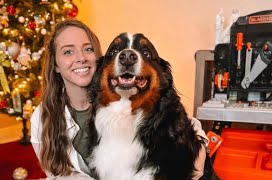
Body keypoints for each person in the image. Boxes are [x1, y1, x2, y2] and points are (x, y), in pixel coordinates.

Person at [30, 19, 209, 179]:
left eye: (88, 49)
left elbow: (179, 122)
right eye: (68, 52)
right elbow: (55, 175)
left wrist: (200, 147)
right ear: (55, 65)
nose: (81, 58)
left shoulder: (127, 105)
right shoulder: (42, 117)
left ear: (98, 60)